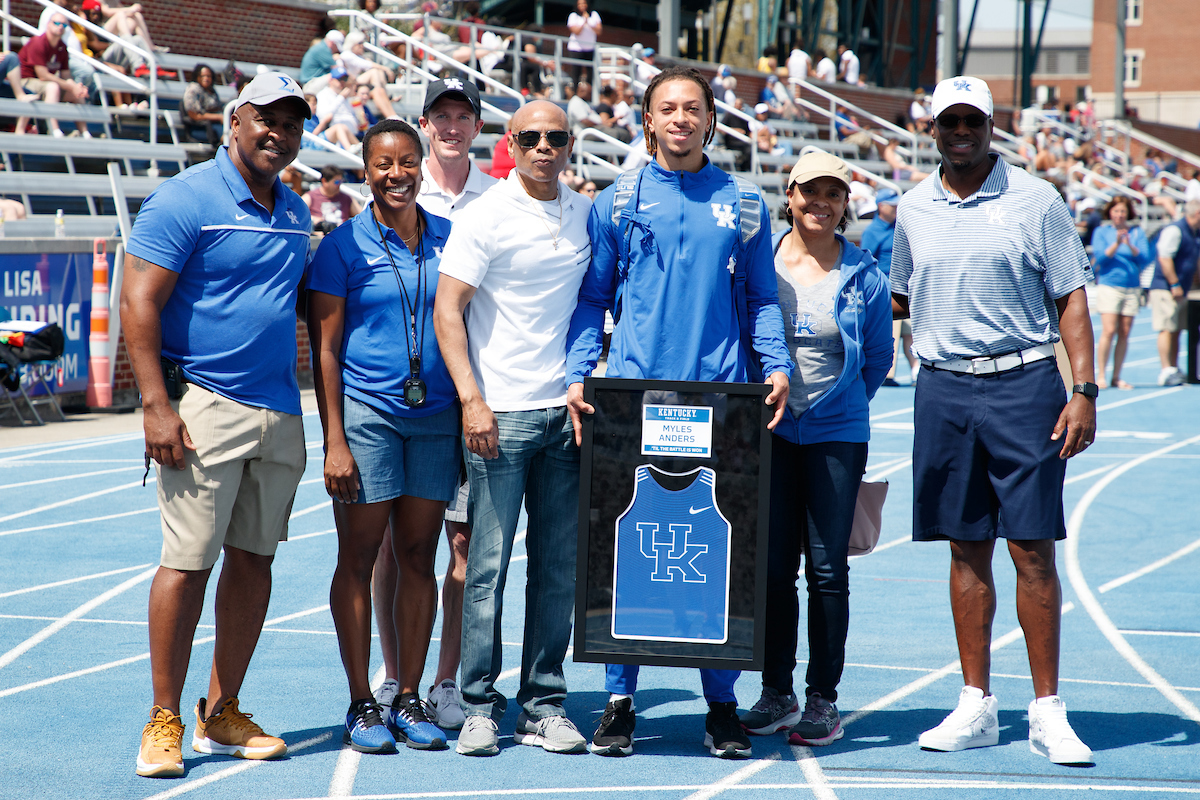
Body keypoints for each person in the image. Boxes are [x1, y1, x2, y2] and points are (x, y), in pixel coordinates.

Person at [565, 65, 793, 760]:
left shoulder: (744, 203)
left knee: (719, 554)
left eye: (693, 108)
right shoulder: (617, 201)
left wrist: (776, 363)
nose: (681, 118)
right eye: (667, 108)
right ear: (648, 120)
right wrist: (579, 373)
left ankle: (721, 706)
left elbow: (760, 299)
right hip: (633, 401)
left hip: (722, 403)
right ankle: (619, 701)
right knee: (628, 550)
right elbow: (593, 299)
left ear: (710, 120)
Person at [890, 76, 1096, 766]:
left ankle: (1048, 711)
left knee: (1032, 549)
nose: (961, 132)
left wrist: (1084, 390)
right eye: (949, 121)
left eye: (971, 121)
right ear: (932, 129)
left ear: (990, 126)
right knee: (965, 546)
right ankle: (976, 703)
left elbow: (1070, 297)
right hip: (943, 388)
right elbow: (898, 294)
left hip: (1024, 386)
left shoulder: (1038, 200)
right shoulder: (913, 207)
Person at [119, 72, 312, 778]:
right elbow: (138, 301)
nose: (278, 134)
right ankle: (163, 717)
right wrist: (156, 405)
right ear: (236, 120)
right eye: (266, 119)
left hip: (279, 411)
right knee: (188, 563)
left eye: (291, 124)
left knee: (254, 561)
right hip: (201, 408)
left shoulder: (296, 210)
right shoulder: (184, 198)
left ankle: (221, 711)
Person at [433, 100, 592, 757]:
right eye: (531, 137)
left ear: (570, 143)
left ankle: (543, 704)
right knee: (486, 571)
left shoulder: (585, 212)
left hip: (566, 416)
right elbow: (448, 310)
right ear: (511, 144)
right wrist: (472, 400)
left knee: (557, 571)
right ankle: (478, 704)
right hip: (500, 416)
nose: (544, 147)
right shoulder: (484, 214)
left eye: (556, 137)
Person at [308, 119, 458, 754]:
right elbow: (325, 351)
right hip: (368, 416)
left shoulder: (450, 237)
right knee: (360, 557)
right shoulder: (341, 247)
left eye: (406, 163)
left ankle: (409, 695)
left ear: (421, 166)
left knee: (420, 556)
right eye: (382, 165)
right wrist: (334, 441)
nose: (396, 175)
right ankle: (361, 702)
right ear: (365, 171)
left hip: (437, 419)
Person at [738, 151, 891, 745]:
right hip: (770, 433)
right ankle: (776, 690)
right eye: (810, 191)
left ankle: (823, 697)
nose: (819, 203)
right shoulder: (762, 262)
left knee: (828, 571)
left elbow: (876, 357)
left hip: (837, 435)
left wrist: (836, 407)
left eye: (833, 193)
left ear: (845, 203)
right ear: (790, 195)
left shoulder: (865, 274)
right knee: (774, 570)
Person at [368, 78, 499, 732]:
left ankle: (447, 679)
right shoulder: (398, 190)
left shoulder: (499, 200)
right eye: (439, 115)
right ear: (423, 125)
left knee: (464, 546)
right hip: (403, 402)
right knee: (392, 545)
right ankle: (397, 673)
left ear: (477, 127)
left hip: (470, 399)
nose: (451, 125)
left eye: (461, 116)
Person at [1091, 196, 1153, 390]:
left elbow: (1145, 258)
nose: (1119, 215)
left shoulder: (1136, 232)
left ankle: (1116, 376)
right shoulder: (1102, 232)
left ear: (1128, 213)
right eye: (1116, 211)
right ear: (1110, 212)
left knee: (1124, 332)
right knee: (1109, 330)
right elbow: (1100, 259)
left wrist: (1130, 245)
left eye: (1123, 211)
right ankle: (1101, 375)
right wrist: (1116, 244)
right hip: (1110, 285)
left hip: (1131, 286)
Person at [860, 188, 915, 386]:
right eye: (892, 205)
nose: (895, 208)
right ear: (880, 206)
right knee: (890, 332)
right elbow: (866, 260)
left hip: (905, 287)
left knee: (909, 332)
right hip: (886, 290)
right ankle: (887, 375)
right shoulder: (872, 231)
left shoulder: (899, 227)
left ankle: (915, 371)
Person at [1148, 200, 1200, 387]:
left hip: (1182, 289)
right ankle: (1165, 369)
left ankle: (1174, 367)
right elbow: (1164, 258)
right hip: (1166, 287)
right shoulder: (1175, 230)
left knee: (1176, 329)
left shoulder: (1194, 233)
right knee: (1166, 328)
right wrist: (1174, 283)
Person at [18, 12, 90, 138]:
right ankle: (54, 130)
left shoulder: (62, 47)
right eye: (56, 23)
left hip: (44, 85)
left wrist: (76, 87)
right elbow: (43, 75)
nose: (60, 26)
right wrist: (70, 86)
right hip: (26, 82)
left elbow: (66, 75)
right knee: (53, 87)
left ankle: (85, 133)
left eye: (64, 24)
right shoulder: (38, 42)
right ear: (48, 24)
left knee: (76, 94)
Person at [313, 67, 361, 151]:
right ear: (331, 80)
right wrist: (341, 98)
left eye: (344, 79)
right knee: (340, 127)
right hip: (331, 138)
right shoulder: (323, 94)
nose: (342, 82)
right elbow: (324, 116)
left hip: (351, 135)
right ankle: (349, 149)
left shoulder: (347, 96)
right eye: (339, 79)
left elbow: (353, 117)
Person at [182, 63, 224, 146]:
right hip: (201, 127)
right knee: (228, 137)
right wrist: (218, 117)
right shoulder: (193, 90)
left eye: (208, 76)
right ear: (197, 77)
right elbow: (194, 115)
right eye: (203, 76)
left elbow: (217, 108)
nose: (206, 79)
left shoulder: (212, 91)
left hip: (217, 124)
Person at [566, 0, 601, 87]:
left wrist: (589, 21)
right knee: (576, 72)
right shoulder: (573, 16)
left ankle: (589, 92)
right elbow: (576, 31)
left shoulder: (594, 15)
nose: (582, 5)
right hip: (576, 48)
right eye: (580, 4)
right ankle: (575, 91)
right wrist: (583, 21)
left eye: (584, 3)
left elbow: (599, 31)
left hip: (590, 48)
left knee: (590, 72)